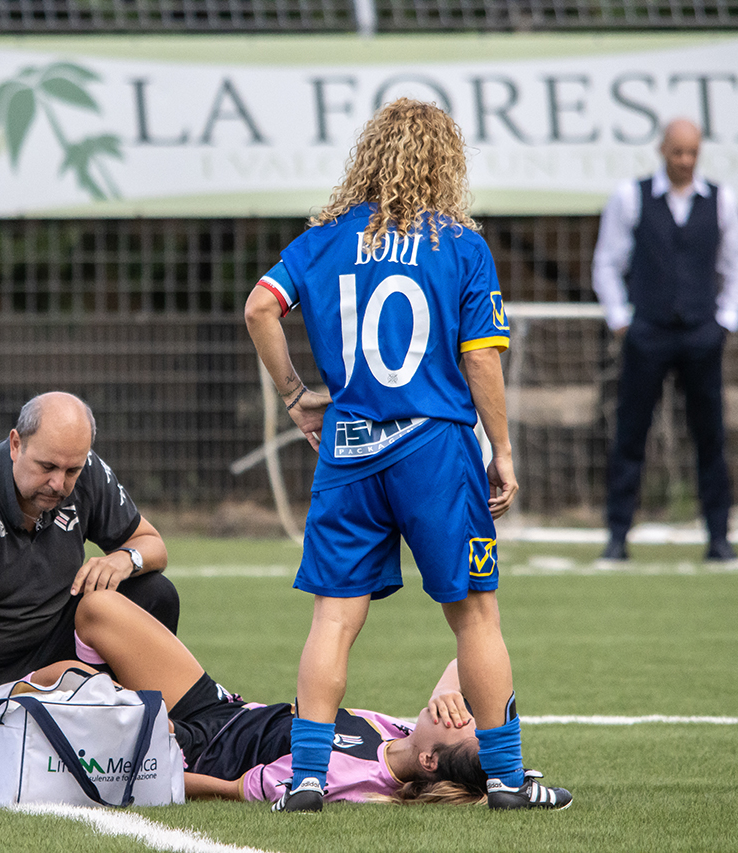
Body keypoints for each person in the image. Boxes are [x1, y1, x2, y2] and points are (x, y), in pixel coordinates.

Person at [243, 99, 571, 812]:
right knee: (475, 616)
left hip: (350, 448)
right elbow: (481, 362)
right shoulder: (461, 246)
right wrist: (503, 450)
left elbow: (259, 308)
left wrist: (297, 394)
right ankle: (510, 779)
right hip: (434, 447)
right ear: (444, 162)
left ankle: (305, 778)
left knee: (334, 616)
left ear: (369, 155)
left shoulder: (323, 242)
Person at [0, 589, 495, 804]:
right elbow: (467, 659)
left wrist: (149, 763)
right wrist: (449, 696)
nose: (460, 711)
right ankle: (54, 712)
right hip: (220, 708)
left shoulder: (352, 778)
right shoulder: (397, 733)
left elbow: (228, 790)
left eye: (458, 724)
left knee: (69, 672)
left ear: (429, 760)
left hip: (190, 747)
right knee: (98, 610)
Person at [0, 391, 179, 793]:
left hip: (46, 646)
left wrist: (125, 559)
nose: (58, 483)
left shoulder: (89, 474)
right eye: (47, 466)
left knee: (153, 593)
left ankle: (141, 732)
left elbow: (152, 545)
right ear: (16, 444)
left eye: (71, 470)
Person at [592, 118, 738, 563]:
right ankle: (617, 536)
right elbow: (607, 262)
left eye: (692, 153)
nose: (684, 161)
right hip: (647, 333)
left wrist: (726, 320)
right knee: (630, 435)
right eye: (677, 152)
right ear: (663, 150)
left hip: (702, 333)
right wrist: (621, 319)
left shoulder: (721, 200)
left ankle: (719, 537)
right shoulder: (631, 197)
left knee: (710, 436)